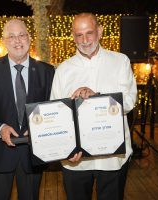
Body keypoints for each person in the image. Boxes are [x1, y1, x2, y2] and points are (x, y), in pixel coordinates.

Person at [50, 13, 137, 200]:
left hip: (113, 158)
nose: (85, 40)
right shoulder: (63, 69)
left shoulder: (120, 61)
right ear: (73, 37)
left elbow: (129, 102)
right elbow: (57, 115)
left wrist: (97, 97)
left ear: (100, 31)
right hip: (76, 160)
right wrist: (65, 150)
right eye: (79, 35)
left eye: (89, 33)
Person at [0, 19, 55, 200]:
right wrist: (0, 129)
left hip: (33, 155)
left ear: (29, 38)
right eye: (12, 36)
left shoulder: (46, 71)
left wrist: (38, 130)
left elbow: (53, 109)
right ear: (4, 41)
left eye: (22, 35)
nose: (17, 41)